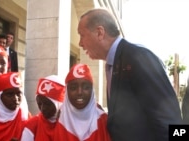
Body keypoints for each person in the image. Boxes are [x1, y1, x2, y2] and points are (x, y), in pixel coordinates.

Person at [77, 8, 182, 141]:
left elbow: (170, 119)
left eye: (82, 35)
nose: (80, 43)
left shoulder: (139, 57)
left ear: (99, 32)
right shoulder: (113, 63)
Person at [54, 64, 111, 141]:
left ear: (92, 91)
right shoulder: (55, 121)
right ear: (66, 91)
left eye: (86, 87)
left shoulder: (104, 121)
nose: (79, 92)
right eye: (73, 88)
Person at [21, 75, 65, 141]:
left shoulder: (70, 125)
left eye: (48, 104)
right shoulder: (33, 124)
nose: (42, 108)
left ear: (60, 104)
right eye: (39, 103)